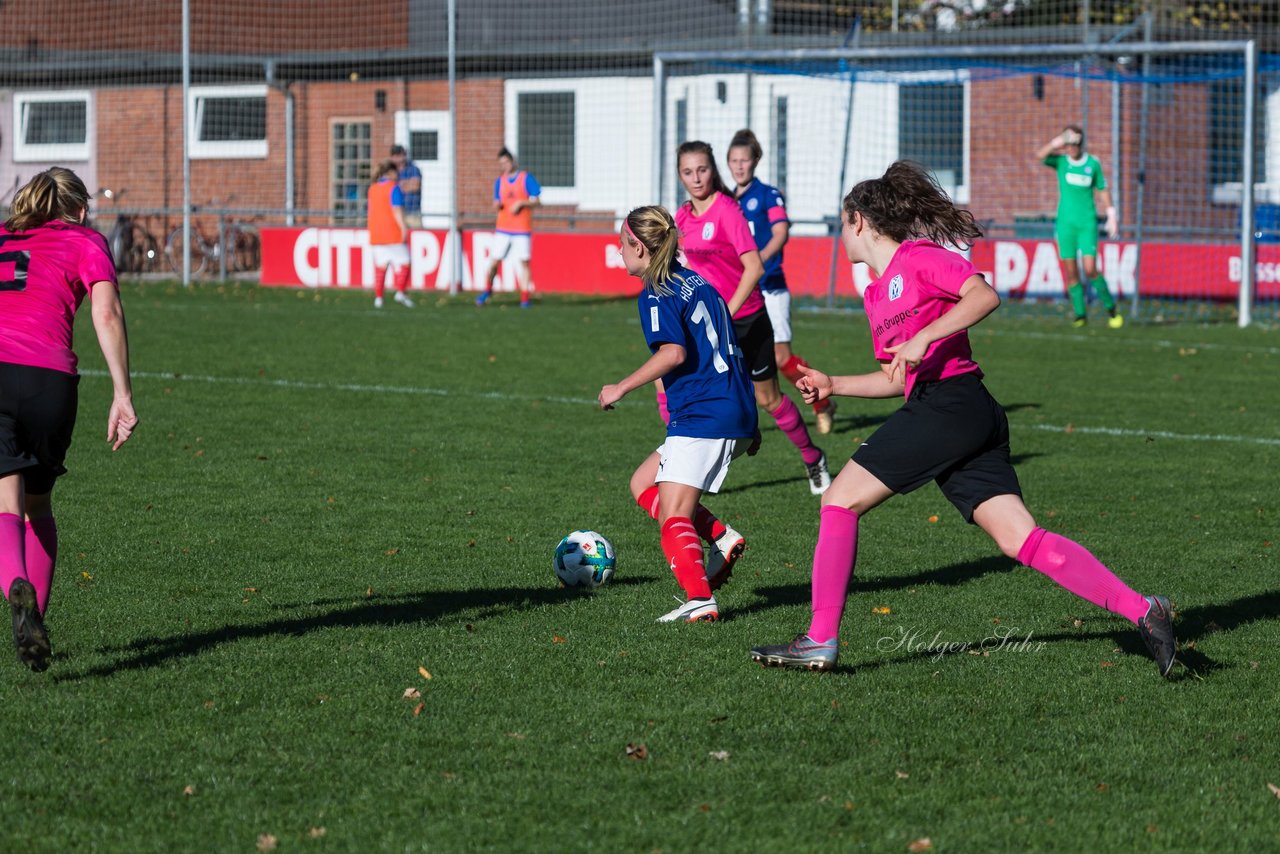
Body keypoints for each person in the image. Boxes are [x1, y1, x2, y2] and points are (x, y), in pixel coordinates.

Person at [749, 161, 1176, 677]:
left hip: (953, 402)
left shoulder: (921, 258)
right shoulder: (874, 294)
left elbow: (984, 295)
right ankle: (1143, 610)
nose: (843, 235)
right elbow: (895, 377)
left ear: (859, 220)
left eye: (843, 223)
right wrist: (835, 384)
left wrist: (927, 336)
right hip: (954, 412)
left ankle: (820, 637)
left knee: (839, 499)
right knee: (1020, 538)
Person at [0, 167, 138, 672]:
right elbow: (107, 314)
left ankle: (16, 588)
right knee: (38, 506)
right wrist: (122, 393)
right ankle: (34, 620)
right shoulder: (86, 240)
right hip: (49, 382)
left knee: (3, 502)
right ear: (80, 210)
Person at [598, 206, 758, 623]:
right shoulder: (698, 283)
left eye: (622, 243)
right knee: (642, 483)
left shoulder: (657, 290)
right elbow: (728, 348)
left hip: (706, 414)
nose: (619, 251)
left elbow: (675, 352)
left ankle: (699, 598)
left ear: (638, 245)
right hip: (730, 409)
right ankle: (720, 537)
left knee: (673, 513)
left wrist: (621, 387)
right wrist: (749, 421)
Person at [673, 140, 831, 502]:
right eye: (687, 172)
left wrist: (726, 311)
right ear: (679, 175)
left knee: (769, 399)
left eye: (702, 169)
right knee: (687, 391)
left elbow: (754, 267)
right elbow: (685, 265)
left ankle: (813, 458)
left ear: (713, 170)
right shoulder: (682, 217)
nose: (696, 178)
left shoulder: (728, 211)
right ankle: (679, 473)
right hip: (711, 323)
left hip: (746, 318)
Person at [727, 128, 836, 435]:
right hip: (739, 290)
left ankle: (821, 403)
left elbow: (780, 232)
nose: (738, 166)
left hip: (770, 286)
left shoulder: (767, 195)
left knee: (781, 356)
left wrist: (756, 261)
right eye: (733, 160)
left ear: (755, 161)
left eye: (744, 160)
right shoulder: (724, 200)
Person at [1035, 126, 1122, 328]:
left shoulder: (1092, 163)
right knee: (1071, 271)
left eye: (1076, 143)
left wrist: (1112, 215)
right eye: (1069, 143)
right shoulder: (1061, 162)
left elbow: (1102, 188)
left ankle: (1111, 308)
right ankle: (1080, 314)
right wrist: (1057, 141)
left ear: (1082, 144)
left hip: (1087, 224)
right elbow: (1040, 155)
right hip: (1065, 225)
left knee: (1091, 269)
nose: (1073, 147)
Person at [476, 148, 540, 308]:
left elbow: (537, 201)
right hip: (503, 228)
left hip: (521, 229)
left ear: (512, 161)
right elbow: (496, 201)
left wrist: (522, 203)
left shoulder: (526, 179)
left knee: (524, 263)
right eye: (501, 163)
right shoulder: (500, 182)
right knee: (494, 262)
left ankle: (524, 298)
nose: (504, 166)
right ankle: (488, 289)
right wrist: (496, 205)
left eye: (506, 162)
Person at [367, 160, 414, 309]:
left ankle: (379, 299)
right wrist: (403, 228)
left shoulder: (372, 189)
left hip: (376, 234)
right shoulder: (393, 188)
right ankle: (400, 292)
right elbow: (396, 210)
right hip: (392, 233)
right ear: (391, 173)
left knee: (381, 267)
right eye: (396, 172)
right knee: (406, 262)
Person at [389, 144, 422, 229]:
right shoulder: (390, 171)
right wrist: (406, 184)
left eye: (400, 155)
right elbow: (389, 188)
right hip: (397, 212)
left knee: (415, 237)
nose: (397, 158)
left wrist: (399, 185)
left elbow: (416, 185)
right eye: (395, 156)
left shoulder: (413, 169)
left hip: (412, 212)